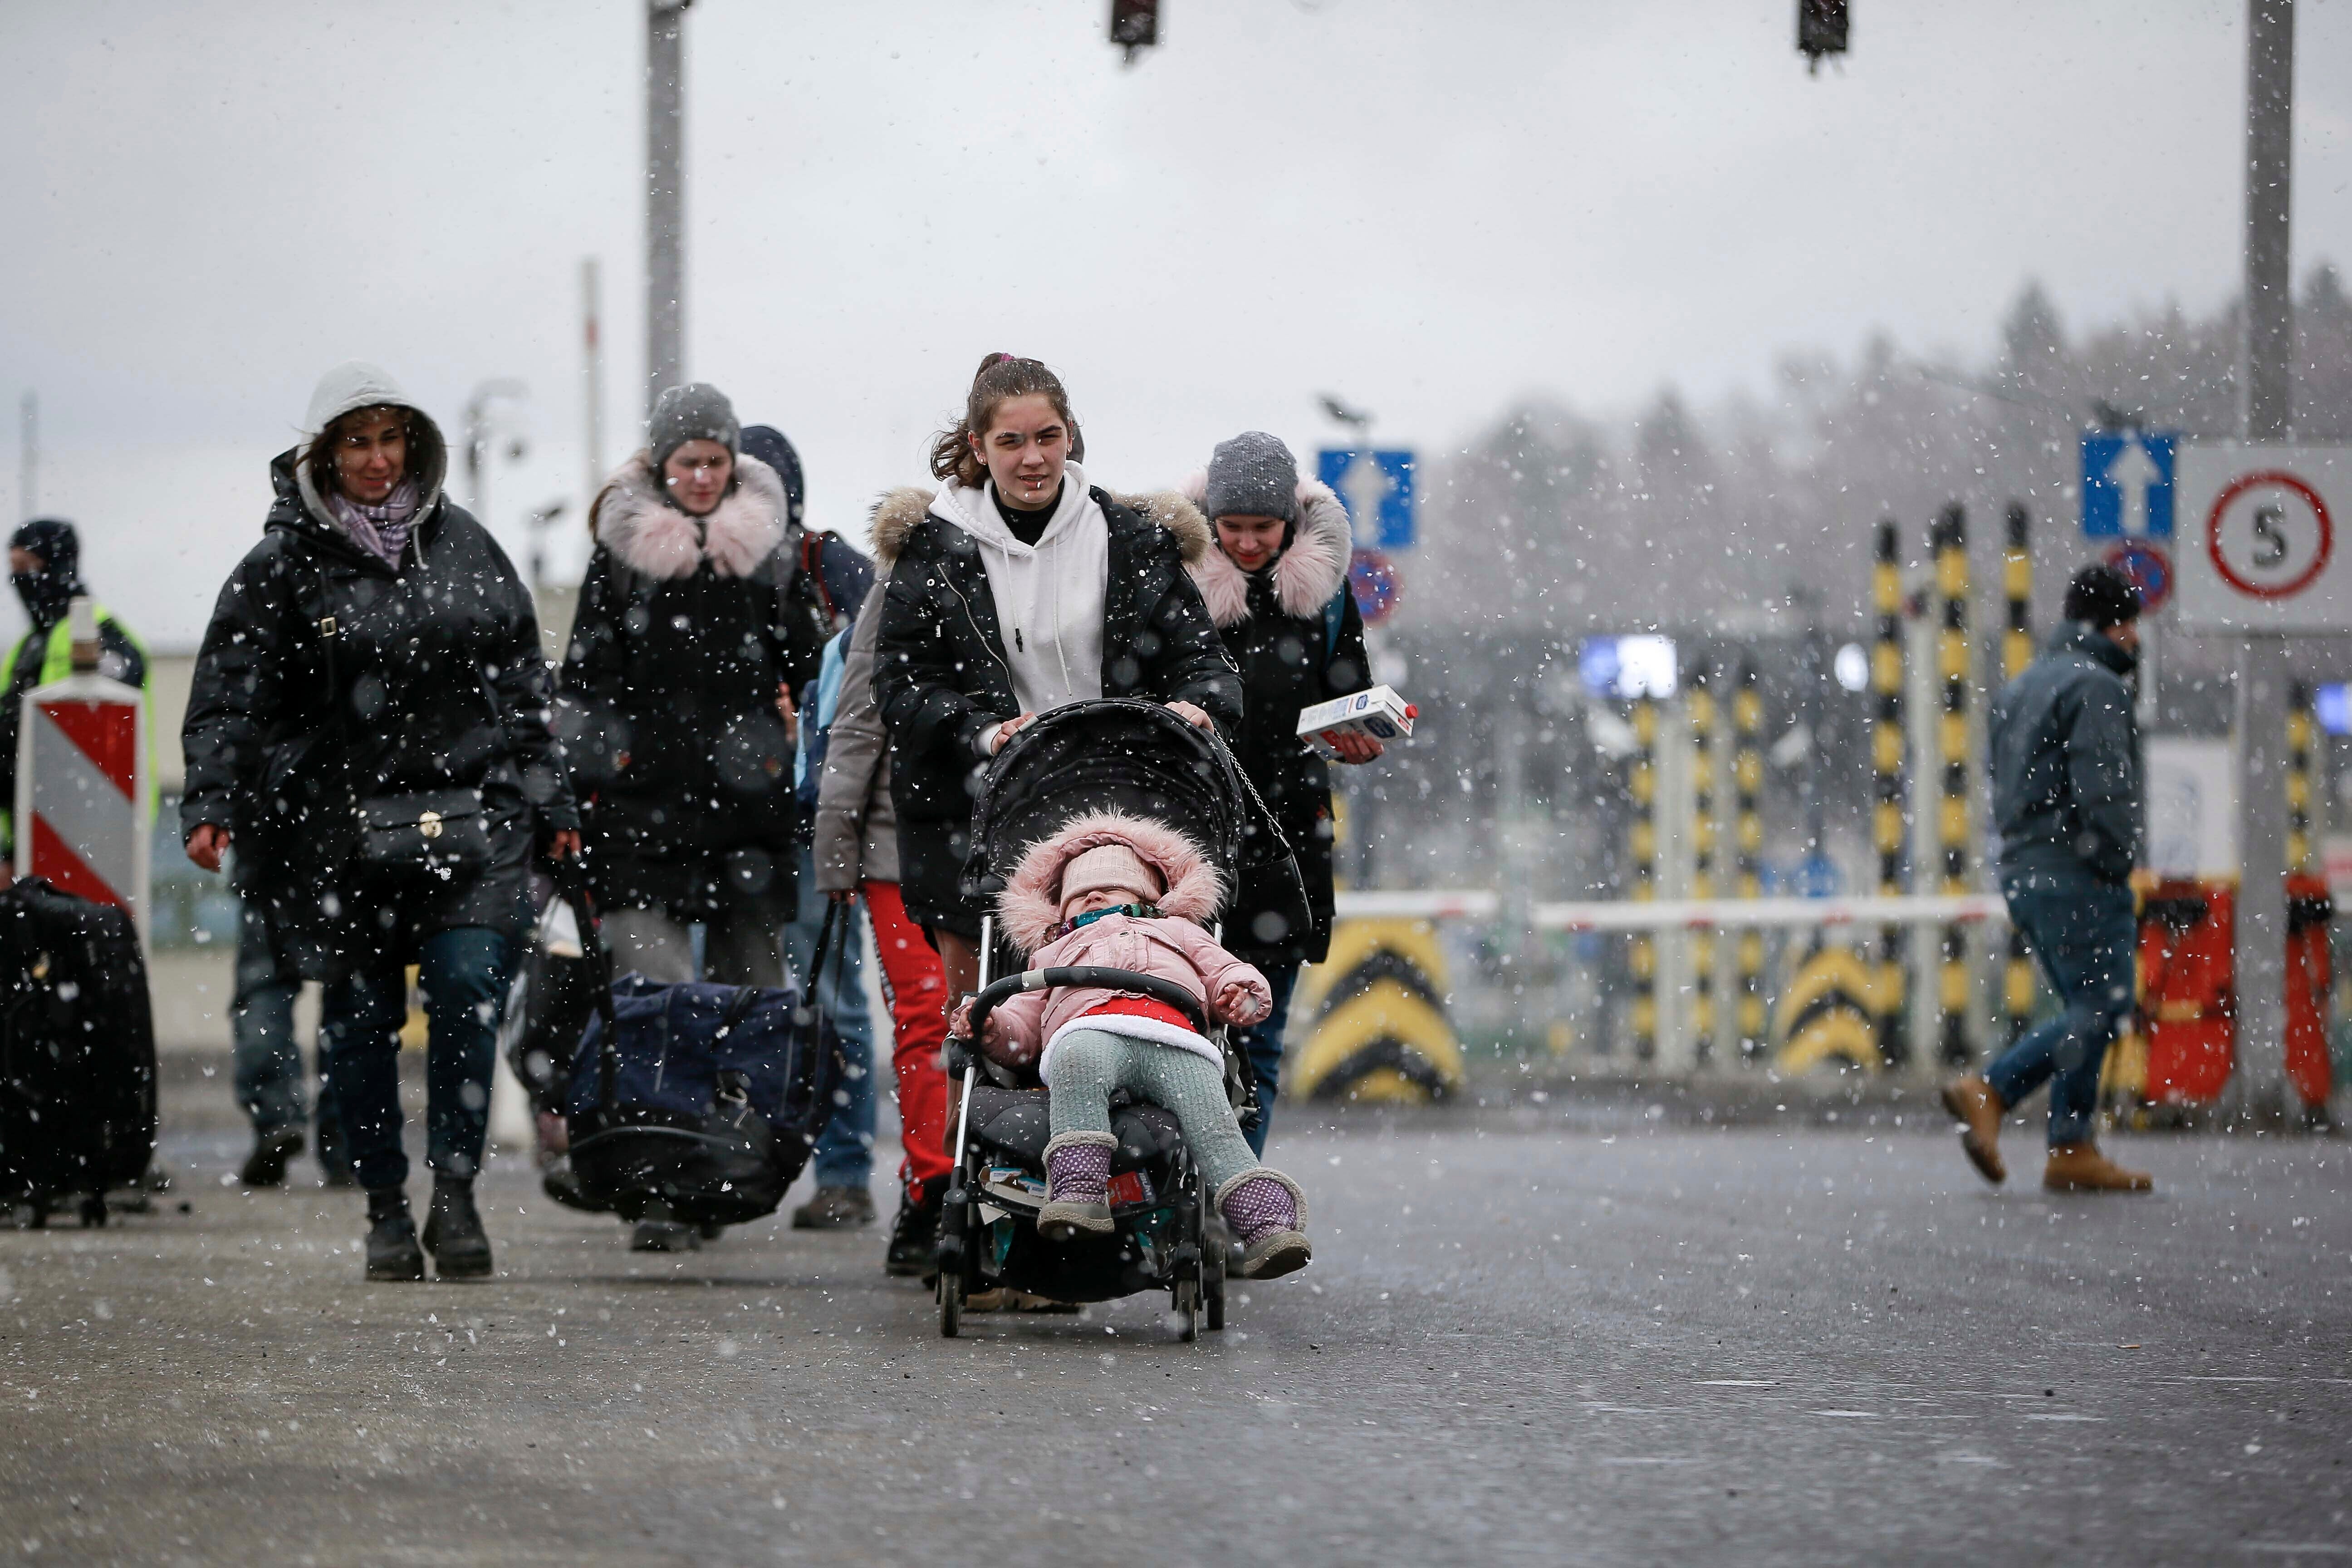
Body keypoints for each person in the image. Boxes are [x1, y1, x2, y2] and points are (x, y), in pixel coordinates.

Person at [181, 361, 578, 1281]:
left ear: (415, 444)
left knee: (468, 993)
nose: (375, 458)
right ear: (323, 453)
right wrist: (210, 802)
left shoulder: (469, 548)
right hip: (338, 832)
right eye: (356, 441)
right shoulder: (278, 568)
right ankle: (385, 1210)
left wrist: (549, 799)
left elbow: (525, 684)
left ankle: (456, 1194)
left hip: (468, 824)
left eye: (390, 438)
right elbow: (228, 697)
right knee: (359, 1022)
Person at [872, 353, 1242, 1014]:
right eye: (1010, 441)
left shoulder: (1133, 540)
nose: (1032, 458)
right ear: (979, 448)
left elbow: (1204, 661)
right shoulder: (933, 551)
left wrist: (1199, 706)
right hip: (976, 814)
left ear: (1070, 435)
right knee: (983, 1027)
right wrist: (983, 732)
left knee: (1126, 1004)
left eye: (1046, 437)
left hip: (1122, 805)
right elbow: (902, 684)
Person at [559, 387, 828, 1250]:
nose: (704, 478)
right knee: (653, 999)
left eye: (716, 461)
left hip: (748, 814)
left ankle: (733, 1162)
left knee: (756, 997)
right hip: (644, 818)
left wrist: (797, 747)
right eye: (689, 463)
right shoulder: (622, 559)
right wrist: (596, 774)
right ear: (660, 467)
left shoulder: (770, 554)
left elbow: (813, 667)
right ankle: (656, 1185)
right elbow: (586, 680)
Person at [955, 811, 1310, 1279]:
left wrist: (1237, 991)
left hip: (1173, 1037)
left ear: (1150, 897)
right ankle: (1080, 1191)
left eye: (1110, 887)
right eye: (1078, 894)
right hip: (1089, 1032)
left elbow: (1224, 968)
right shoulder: (1052, 952)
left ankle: (1264, 1226)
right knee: (1075, 1061)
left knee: (1213, 1120)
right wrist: (992, 1026)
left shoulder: (1179, 932)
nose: (1093, 895)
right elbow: (1024, 1022)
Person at [1181, 433, 1381, 1154]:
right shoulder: (1175, 585)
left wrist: (1356, 730)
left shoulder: (1325, 595)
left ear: (1291, 524)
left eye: (1261, 529)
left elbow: (1347, 690)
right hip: (1190, 833)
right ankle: (1188, 1190)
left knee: (1259, 1032)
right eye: (1229, 529)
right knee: (1182, 1026)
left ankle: (1239, 1199)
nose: (1245, 543)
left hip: (1290, 830)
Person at [1943, 563, 2151, 1194]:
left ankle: (2072, 1147)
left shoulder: (2022, 686)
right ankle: (1992, 1090)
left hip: (2026, 871)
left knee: (2083, 1008)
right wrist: (2116, 860)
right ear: (2112, 625)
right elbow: (2104, 791)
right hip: (2078, 872)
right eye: (2131, 626)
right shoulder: (2097, 688)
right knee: (2102, 1007)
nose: (2137, 641)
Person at [740, 423, 887, 1235]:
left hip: (806, 821)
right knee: (736, 992)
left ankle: (842, 1172)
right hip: (728, 824)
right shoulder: (705, 570)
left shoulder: (829, 570)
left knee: (827, 995)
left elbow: (870, 685)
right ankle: (732, 1157)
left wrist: (804, 723)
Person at [813, 540, 953, 1276]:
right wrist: (836, 842)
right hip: (905, 841)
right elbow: (859, 713)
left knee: (1015, 1021)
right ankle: (932, 1188)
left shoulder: (1087, 554)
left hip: (1032, 834)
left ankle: (1004, 1185)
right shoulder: (909, 572)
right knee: (928, 1015)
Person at [0, 519, 149, 858]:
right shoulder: (26, 648)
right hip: (31, 832)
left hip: (93, 829)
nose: (19, 581)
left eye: (27, 567)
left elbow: (97, 736)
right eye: (14, 569)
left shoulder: (108, 639)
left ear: (56, 566)